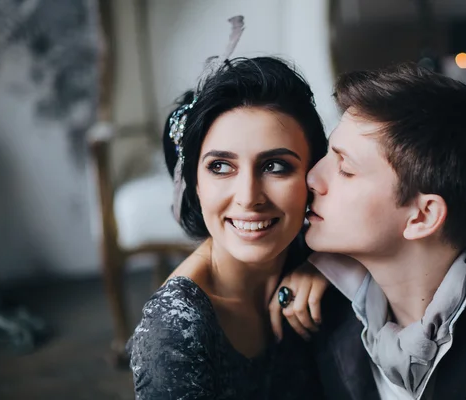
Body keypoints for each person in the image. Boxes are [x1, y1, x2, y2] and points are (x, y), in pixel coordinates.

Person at [270, 63, 466, 400]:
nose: (312, 178)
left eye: (344, 168)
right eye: (327, 155)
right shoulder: (317, 311)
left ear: (422, 215)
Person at [126, 28, 328, 399]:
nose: (249, 197)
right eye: (220, 166)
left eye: (276, 166)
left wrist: (330, 266)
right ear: (194, 183)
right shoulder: (175, 329)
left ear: (312, 177)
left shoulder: (318, 256)